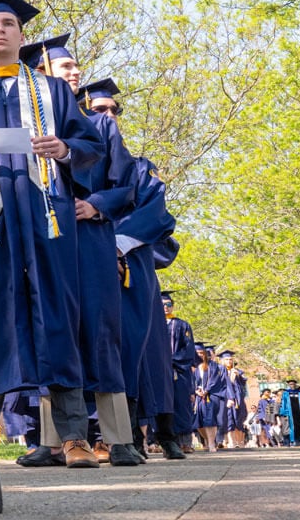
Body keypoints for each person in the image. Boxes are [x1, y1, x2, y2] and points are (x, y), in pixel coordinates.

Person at [0, 0, 105, 470]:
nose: (0, 30)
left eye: (8, 25)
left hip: (47, 217)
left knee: (57, 316)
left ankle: (74, 436)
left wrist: (64, 151)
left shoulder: (54, 91)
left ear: (22, 36)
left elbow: (88, 144)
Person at [19, 42, 141, 467]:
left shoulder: (100, 126)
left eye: (74, 65)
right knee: (53, 331)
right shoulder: (26, 123)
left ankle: (119, 437)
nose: (73, 72)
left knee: (99, 333)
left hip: (89, 239)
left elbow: (126, 184)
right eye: (62, 66)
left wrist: (97, 205)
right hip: (46, 238)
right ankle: (55, 441)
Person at [79, 81, 183, 460]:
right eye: (98, 109)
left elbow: (156, 212)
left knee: (145, 349)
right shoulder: (74, 166)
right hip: (87, 261)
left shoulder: (140, 169)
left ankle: (160, 432)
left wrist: (119, 242)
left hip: (131, 266)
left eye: (112, 110)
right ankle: (100, 435)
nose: (107, 116)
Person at [162, 290, 198, 453]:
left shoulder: (182, 325)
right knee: (163, 406)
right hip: (160, 372)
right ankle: (168, 442)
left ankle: (185, 442)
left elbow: (188, 349)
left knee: (181, 406)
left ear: (173, 306)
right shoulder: (152, 323)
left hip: (179, 372)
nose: (165, 308)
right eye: (162, 305)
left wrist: (172, 360)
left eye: (168, 304)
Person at [192, 343, 226, 451]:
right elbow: (189, 380)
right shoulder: (192, 367)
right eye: (197, 353)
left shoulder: (213, 365)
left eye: (202, 353)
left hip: (211, 395)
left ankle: (211, 443)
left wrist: (206, 390)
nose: (200, 355)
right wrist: (196, 390)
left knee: (209, 419)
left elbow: (214, 379)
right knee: (198, 422)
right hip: (197, 397)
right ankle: (209, 440)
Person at [217, 351, 248, 448]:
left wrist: (238, 375)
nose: (229, 361)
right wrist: (230, 379)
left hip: (239, 398)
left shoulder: (237, 371)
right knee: (229, 419)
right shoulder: (220, 372)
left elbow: (243, 383)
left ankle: (240, 441)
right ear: (222, 361)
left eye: (230, 359)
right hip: (227, 398)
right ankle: (231, 441)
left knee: (239, 418)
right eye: (226, 359)